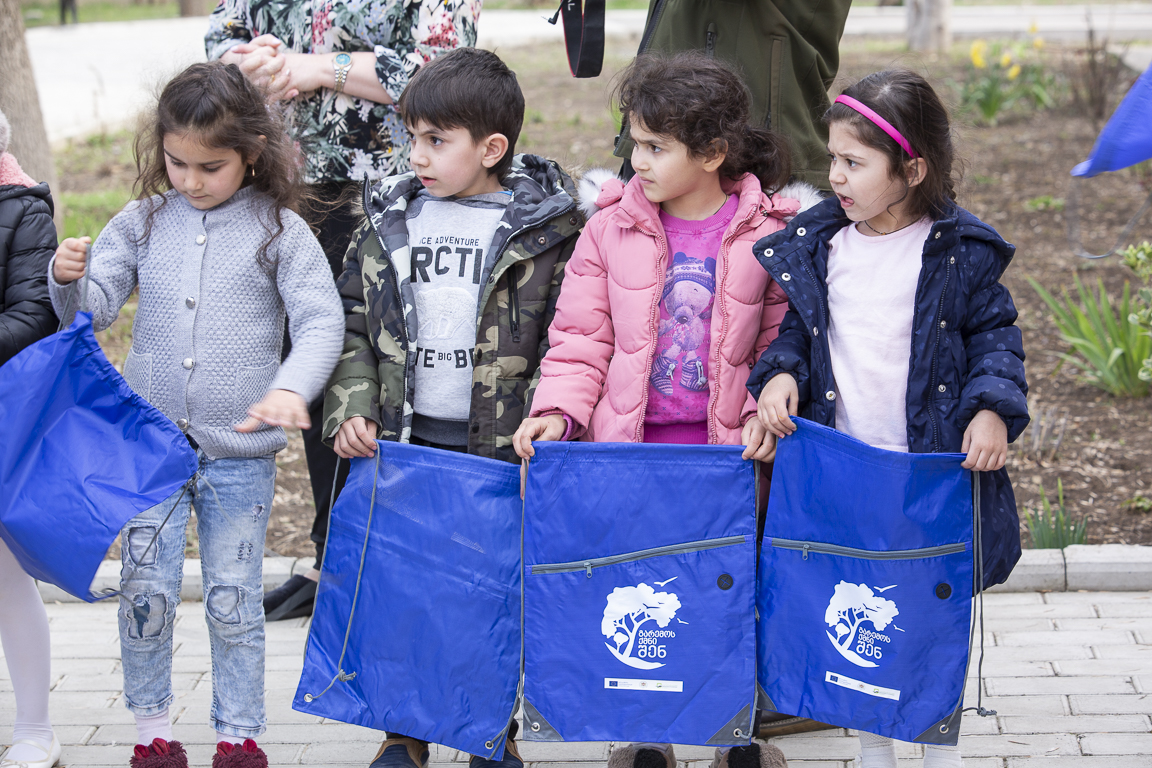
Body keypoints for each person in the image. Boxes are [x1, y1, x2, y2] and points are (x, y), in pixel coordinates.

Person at [513, 51, 818, 768]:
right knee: (639, 586)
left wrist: (762, 412)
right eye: (635, 143)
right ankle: (646, 733)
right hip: (633, 453)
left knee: (725, 592)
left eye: (656, 147)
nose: (638, 161)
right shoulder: (609, 229)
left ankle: (734, 736)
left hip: (726, 458)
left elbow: (781, 342)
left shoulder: (769, 231)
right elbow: (581, 338)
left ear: (712, 153)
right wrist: (558, 412)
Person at [48, 62, 344, 768]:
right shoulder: (144, 221)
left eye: (211, 167)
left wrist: (292, 388)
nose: (190, 180)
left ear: (252, 151)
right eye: (177, 163)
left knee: (234, 597)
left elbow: (321, 322)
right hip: (148, 449)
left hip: (239, 457)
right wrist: (67, 280)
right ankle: (152, 731)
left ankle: (239, 737)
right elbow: (94, 310)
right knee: (144, 592)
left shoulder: (280, 230)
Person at [749, 69, 1029, 768]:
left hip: (924, 479)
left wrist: (991, 410)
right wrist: (780, 374)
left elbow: (996, 339)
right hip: (845, 474)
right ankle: (873, 751)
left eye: (854, 163)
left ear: (911, 169)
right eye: (833, 159)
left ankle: (936, 752)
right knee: (856, 622)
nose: (835, 177)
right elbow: (798, 335)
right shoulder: (823, 247)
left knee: (924, 624)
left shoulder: (957, 253)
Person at [323, 47, 583, 768]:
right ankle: (402, 733)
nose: (418, 156)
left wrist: (550, 419)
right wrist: (353, 403)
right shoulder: (388, 221)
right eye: (413, 137)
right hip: (406, 444)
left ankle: (490, 733)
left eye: (437, 140)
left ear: (492, 149)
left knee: (490, 595)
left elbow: (569, 335)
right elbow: (350, 323)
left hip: (497, 451)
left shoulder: (549, 232)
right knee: (405, 588)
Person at [205, 0, 481, 621]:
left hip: (400, 187)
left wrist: (315, 67)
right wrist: (244, 64)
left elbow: (448, 71)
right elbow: (223, 29)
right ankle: (336, 552)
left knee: (387, 373)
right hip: (280, 182)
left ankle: (400, 559)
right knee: (315, 369)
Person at [0, 108, 61, 768]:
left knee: (5, 576)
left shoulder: (22, 210)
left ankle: (35, 729)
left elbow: (34, 316)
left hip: (3, 418)